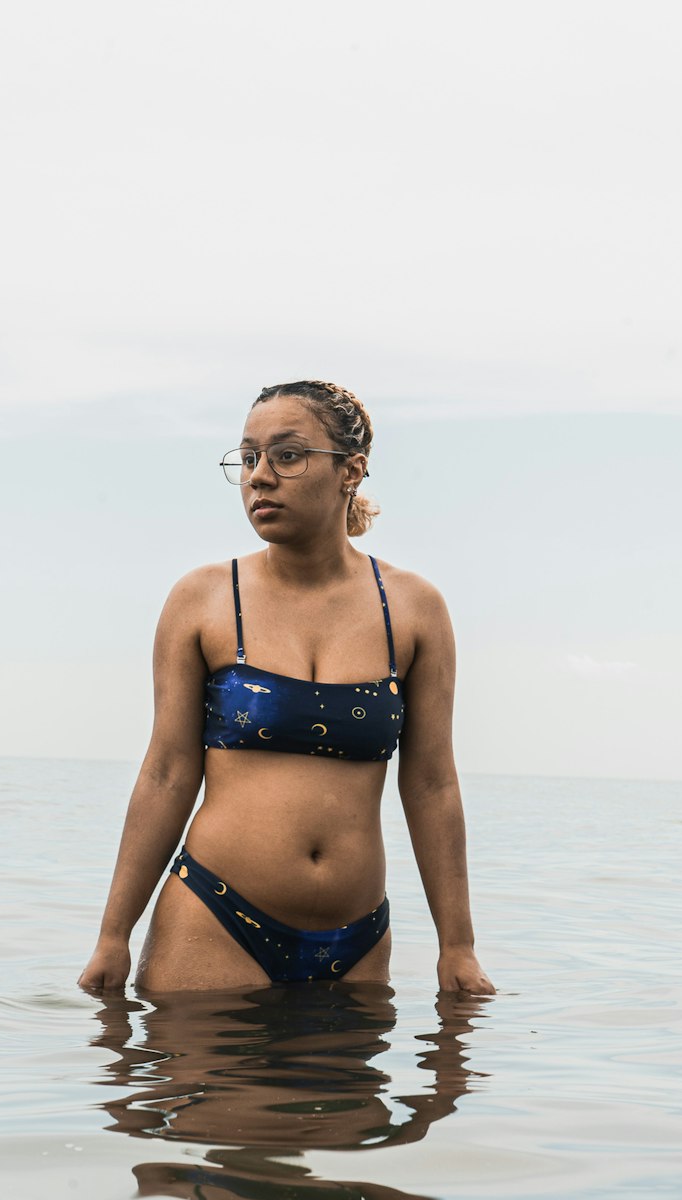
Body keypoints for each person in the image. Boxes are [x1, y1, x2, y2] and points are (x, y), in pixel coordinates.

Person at [78, 379, 494, 996]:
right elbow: (167, 771)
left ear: (351, 471)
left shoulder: (413, 609)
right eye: (248, 458)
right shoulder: (205, 599)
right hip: (213, 919)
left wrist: (457, 946)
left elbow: (432, 783)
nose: (260, 477)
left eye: (287, 455)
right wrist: (114, 935)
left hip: (357, 941)